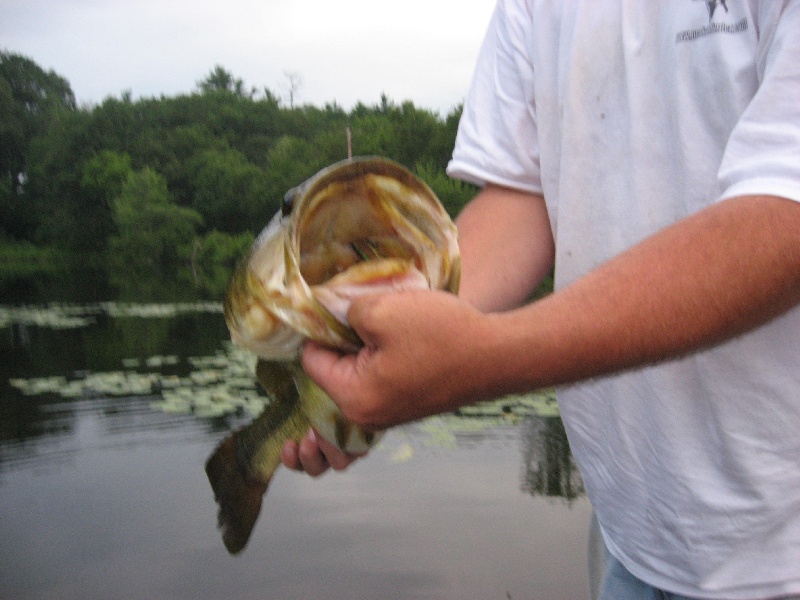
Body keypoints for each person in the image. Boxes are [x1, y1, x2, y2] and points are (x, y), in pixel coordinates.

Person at [282, 1, 800, 598]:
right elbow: (526, 199)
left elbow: (785, 211)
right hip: (634, 540)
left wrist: (485, 359)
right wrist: (369, 337)